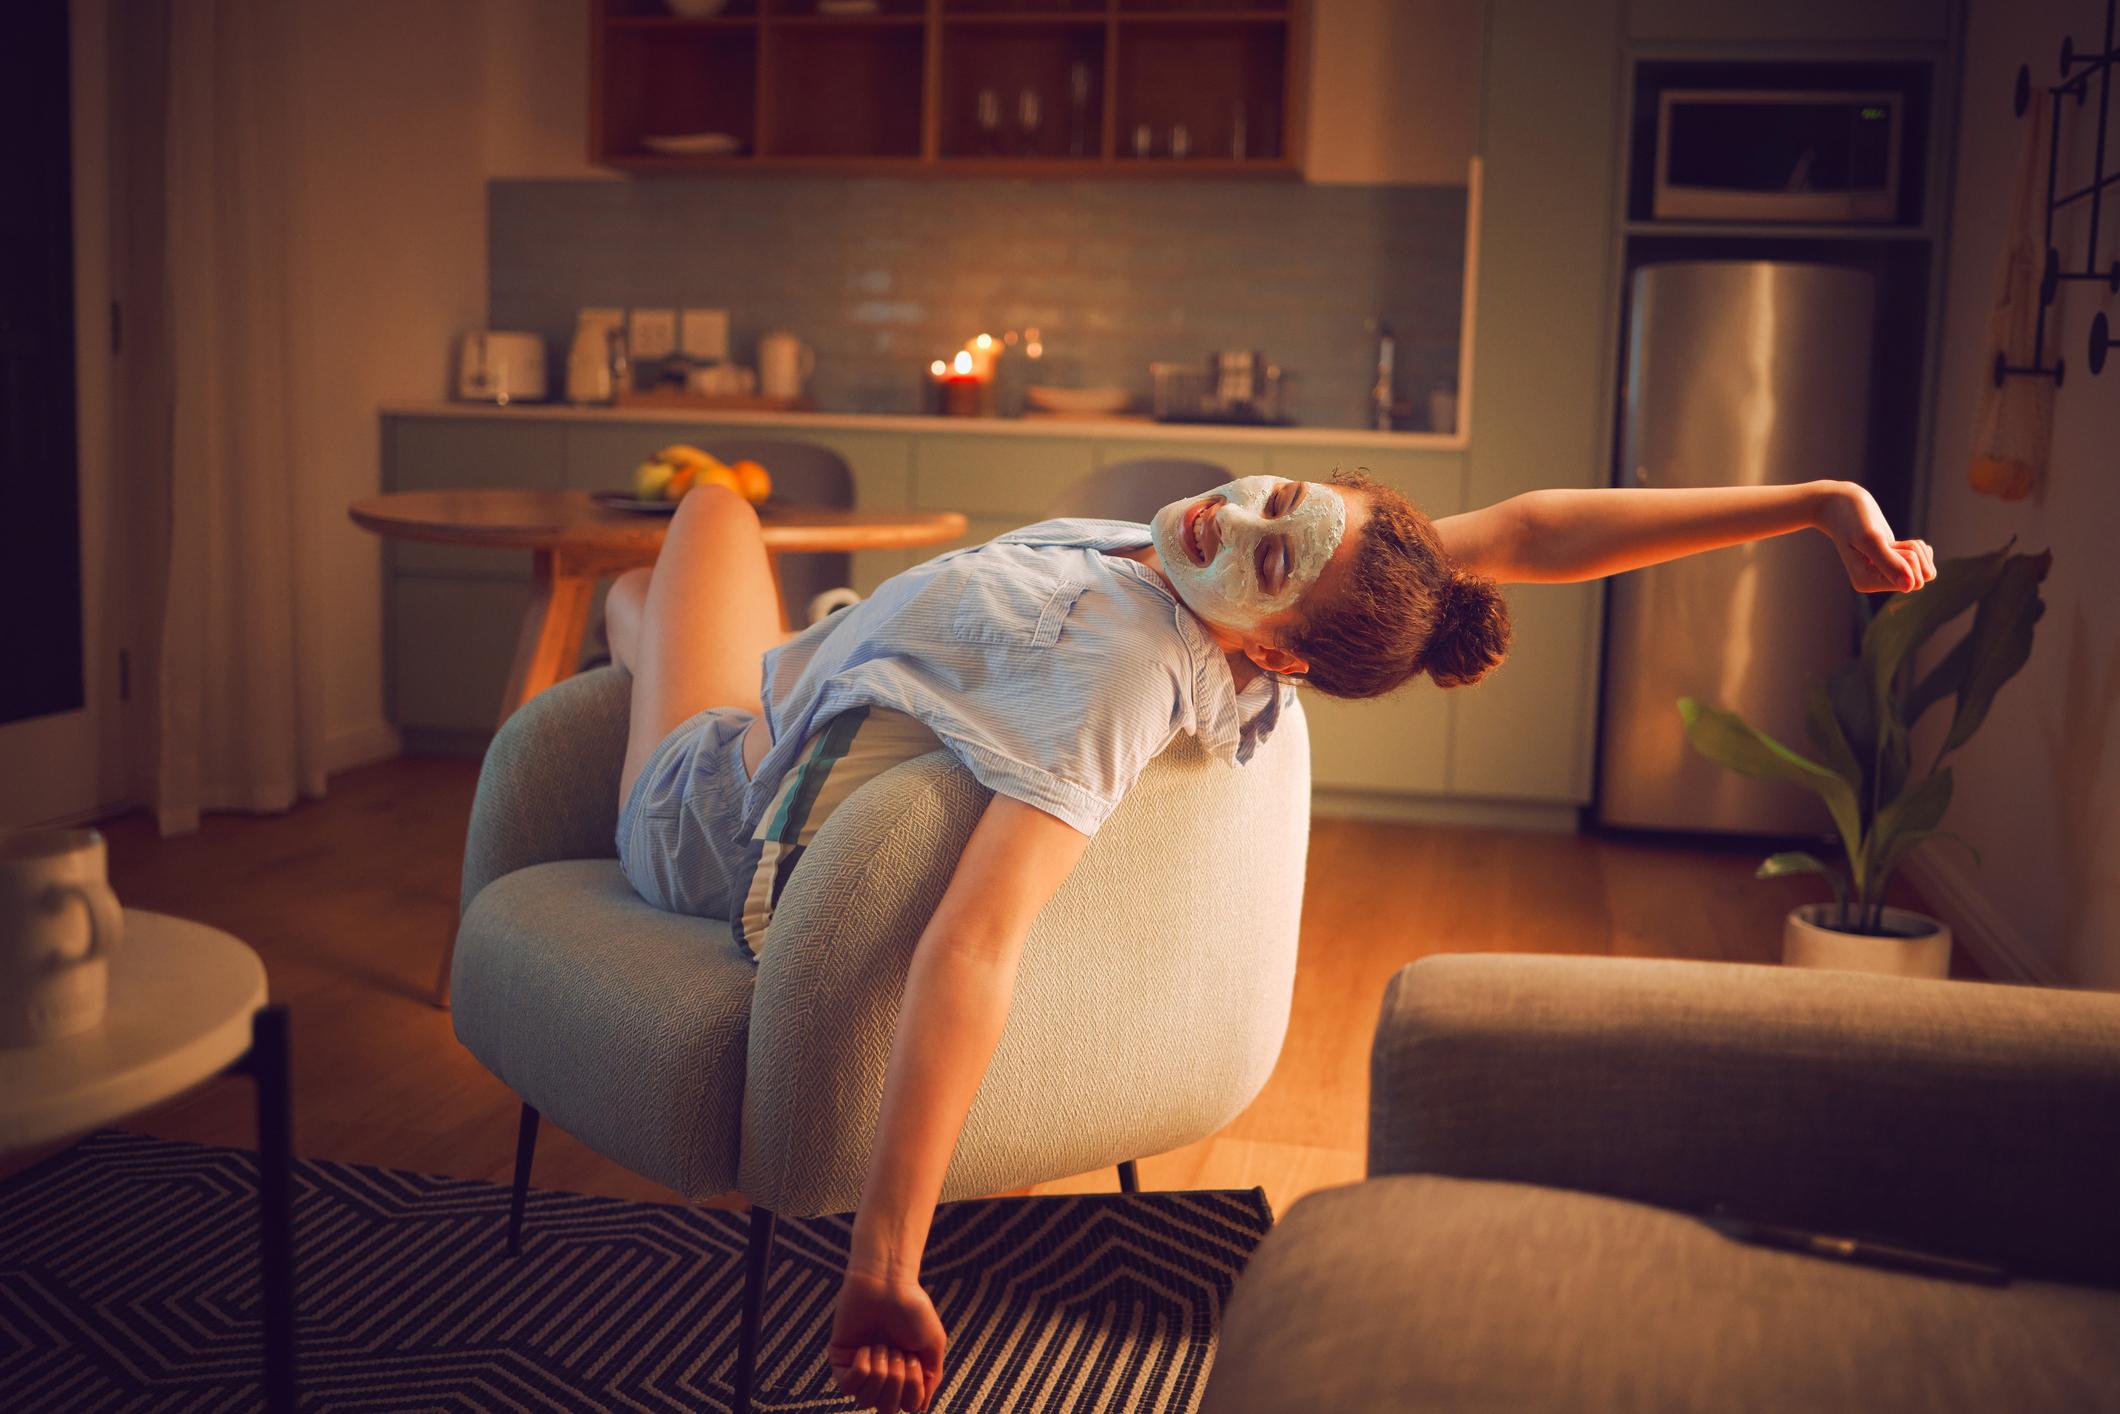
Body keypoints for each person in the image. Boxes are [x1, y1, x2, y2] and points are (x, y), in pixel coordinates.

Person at [602, 470, 1935, 1414]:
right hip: (824, 686)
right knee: (664, 599)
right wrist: (1813, 503)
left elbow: (971, 948)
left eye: (1275, 555)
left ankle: (638, 654)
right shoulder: (1252, 587)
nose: (1238, 518)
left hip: (712, 807)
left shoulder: (1118, 676)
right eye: (1284, 497)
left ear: (1278, 656)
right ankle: (654, 633)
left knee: (708, 513)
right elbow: (1531, 526)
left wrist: (885, 1263)